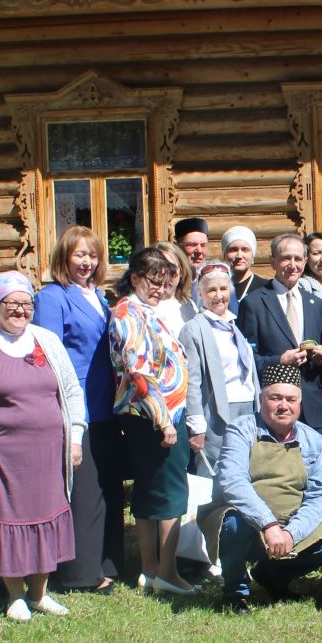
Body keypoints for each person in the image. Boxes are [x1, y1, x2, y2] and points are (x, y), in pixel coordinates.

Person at [0, 271, 87, 620]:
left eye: (26, 304)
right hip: (6, 456)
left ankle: (40, 593)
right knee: (9, 519)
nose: (20, 311)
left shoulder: (46, 341)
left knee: (46, 515)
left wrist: (75, 437)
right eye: (12, 304)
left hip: (49, 452)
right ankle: (14, 596)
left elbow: (71, 392)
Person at [211, 366, 322, 612]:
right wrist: (268, 524)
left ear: (300, 402)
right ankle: (236, 592)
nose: (283, 405)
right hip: (247, 522)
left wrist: (291, 533)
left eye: (290, 399)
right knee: (231, 525)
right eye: (275, 398)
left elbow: (317, 497)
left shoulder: (312, 440)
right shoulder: (241, 429)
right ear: (261, 399)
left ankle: (272, 575)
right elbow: (233, 481)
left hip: (289, 525)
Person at [33, 225, 120, 593]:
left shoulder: (99, 296)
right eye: (78, 255)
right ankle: (79, 573)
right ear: (64, 257)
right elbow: (47, 353)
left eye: (92, 255)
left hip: (106, 404)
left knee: (105, 486)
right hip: (76, 403)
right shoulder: (53, 297)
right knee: (83, 491)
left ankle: (108, 561)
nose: (86, 262)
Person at [111, 245, 197, 595]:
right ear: (135, 278)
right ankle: (169, 573)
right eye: (153, 281)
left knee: (149, 494)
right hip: (154, 417)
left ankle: (149, 570)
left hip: (150, 416)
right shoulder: (128, 312)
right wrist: (164, 421)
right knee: (170, 495)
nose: (160, 289)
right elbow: (138, 372)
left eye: (166, 283)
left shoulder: (142, 309)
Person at [237, 233, 322, 435]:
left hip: (311, 408)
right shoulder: (253, 303)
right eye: (286, 258)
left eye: (298, 259)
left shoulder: (314, 303)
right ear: (273, 262)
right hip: (275, 411)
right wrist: (280, 359)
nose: (292, 264)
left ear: (305, 262)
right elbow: (245, 360)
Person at [179, 261, 261, 475]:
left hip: (246, 406)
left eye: (223, 289)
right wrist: (196, 426)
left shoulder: (233, 325)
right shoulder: (194, 329)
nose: (218, 295)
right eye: (211, 290)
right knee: (217, 472)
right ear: (200, 293)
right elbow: (192, 382)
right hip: (217, 411)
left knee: (243, 471)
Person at [154, 241, 194, 331]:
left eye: (172, 270)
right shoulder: (142, 308)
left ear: (182, 272)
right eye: (159, 269)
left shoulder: (189, 305)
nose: (165, 276)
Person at [222, 225, 262, 307]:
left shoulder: (266, 288)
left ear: (252, 254)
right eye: (233, 250)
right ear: (224, 254)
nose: (239, 256)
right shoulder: (218, 287)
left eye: (245, 250)